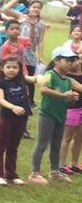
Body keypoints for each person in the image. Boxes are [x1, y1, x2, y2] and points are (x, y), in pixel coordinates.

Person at [27, 47, 82, 184]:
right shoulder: (50, 74)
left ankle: (54, 171)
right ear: (57, 60)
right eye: (68, 60)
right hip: (47, 114)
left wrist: (70, 99)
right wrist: (64, 95)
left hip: (60, 115)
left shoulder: (68, 80)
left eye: (73, 60)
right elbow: (44, 89)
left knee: (56, 145)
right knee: (42, 144)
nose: (71, 63)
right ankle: (34, 173)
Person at [0, 55, 36, 185]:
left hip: (22, 117)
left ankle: (11, 174)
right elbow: (1, 99)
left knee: (13, 147)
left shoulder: (22, 79)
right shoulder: (1, 82)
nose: (11, 70)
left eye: (15, 67)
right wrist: (13, 107)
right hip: (7, 117)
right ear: (2, 68)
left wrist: (41, 78)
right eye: (8, 67)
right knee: (0, 145)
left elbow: (32, 79)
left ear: (19, 69)